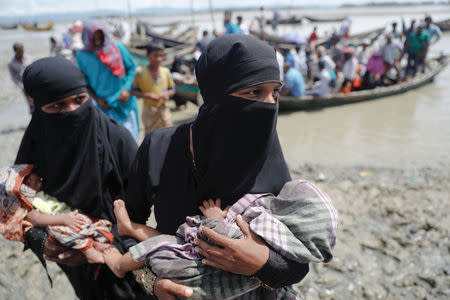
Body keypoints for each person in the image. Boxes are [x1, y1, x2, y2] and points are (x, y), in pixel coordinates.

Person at [124, 35, 310, 299]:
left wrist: (261, 261)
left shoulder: (267, 157)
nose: (269, 105)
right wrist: (151, 280)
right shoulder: (159, 148)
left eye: (275, 92)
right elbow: (126, 226)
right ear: (216, 94)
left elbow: (299, 261)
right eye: (255, 92)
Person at [16, 56, 144, 299]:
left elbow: (141, 207)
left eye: (79, 100)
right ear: (38, 107)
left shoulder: (117, 140)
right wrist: (42, 242)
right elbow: (16, 207)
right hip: (72, 262)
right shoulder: (36, 147)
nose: (73, 111)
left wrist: (104, 246)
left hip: (124, 256)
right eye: (57, 106)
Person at [105, 178, 338, 299]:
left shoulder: (267, 235)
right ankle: (130, 228)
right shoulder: (290, 245)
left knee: (159, 246)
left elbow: (221, 237)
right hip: (199, 263)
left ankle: (119, 264)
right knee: (166, 240)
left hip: (199, 274)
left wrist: (215, 217)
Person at [0, 164, 113, 264]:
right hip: (63, 224)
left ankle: (97, 242)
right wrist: (63, 220)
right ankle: (89, 250)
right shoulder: (28, 208)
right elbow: (37, 219)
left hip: (73, 216)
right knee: (57, 230)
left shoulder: (43, 192)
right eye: (23, 183)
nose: (30, 180)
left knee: (95, 223)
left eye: (27, 176)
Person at [76, 21, 139, 141]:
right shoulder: (82, 56)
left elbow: (132, 68)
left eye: (100, 36)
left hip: (124, 102)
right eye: (94, 38)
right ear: (87, 38)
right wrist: (97, 99)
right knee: (110, 143)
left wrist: (126, 88)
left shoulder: (118, 48)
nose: (98, 40)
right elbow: (85, 82)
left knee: (131, 141)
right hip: (104, 105)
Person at [131, 42, 175, 136]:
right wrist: (147, 95)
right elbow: (133, 91)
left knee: (168, 134)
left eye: (161, 56)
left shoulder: (165, 71)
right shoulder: (140, 72)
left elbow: (172, 88)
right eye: (155, 56)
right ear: (147, 55)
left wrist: (167, 93)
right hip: (148, 110)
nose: (159, 59)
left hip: (163, 108)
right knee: (151, 136)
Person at [8, 42, 34, 113]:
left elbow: (35, 69)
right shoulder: (11, 63)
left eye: (22, 50)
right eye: (19, 51)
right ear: (15, 51)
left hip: (34, 82)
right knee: (31, 104)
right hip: (24, 86)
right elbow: (13, 77)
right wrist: (21, 86)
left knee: (40, 101)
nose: (21, 52)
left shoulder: (29, 58)